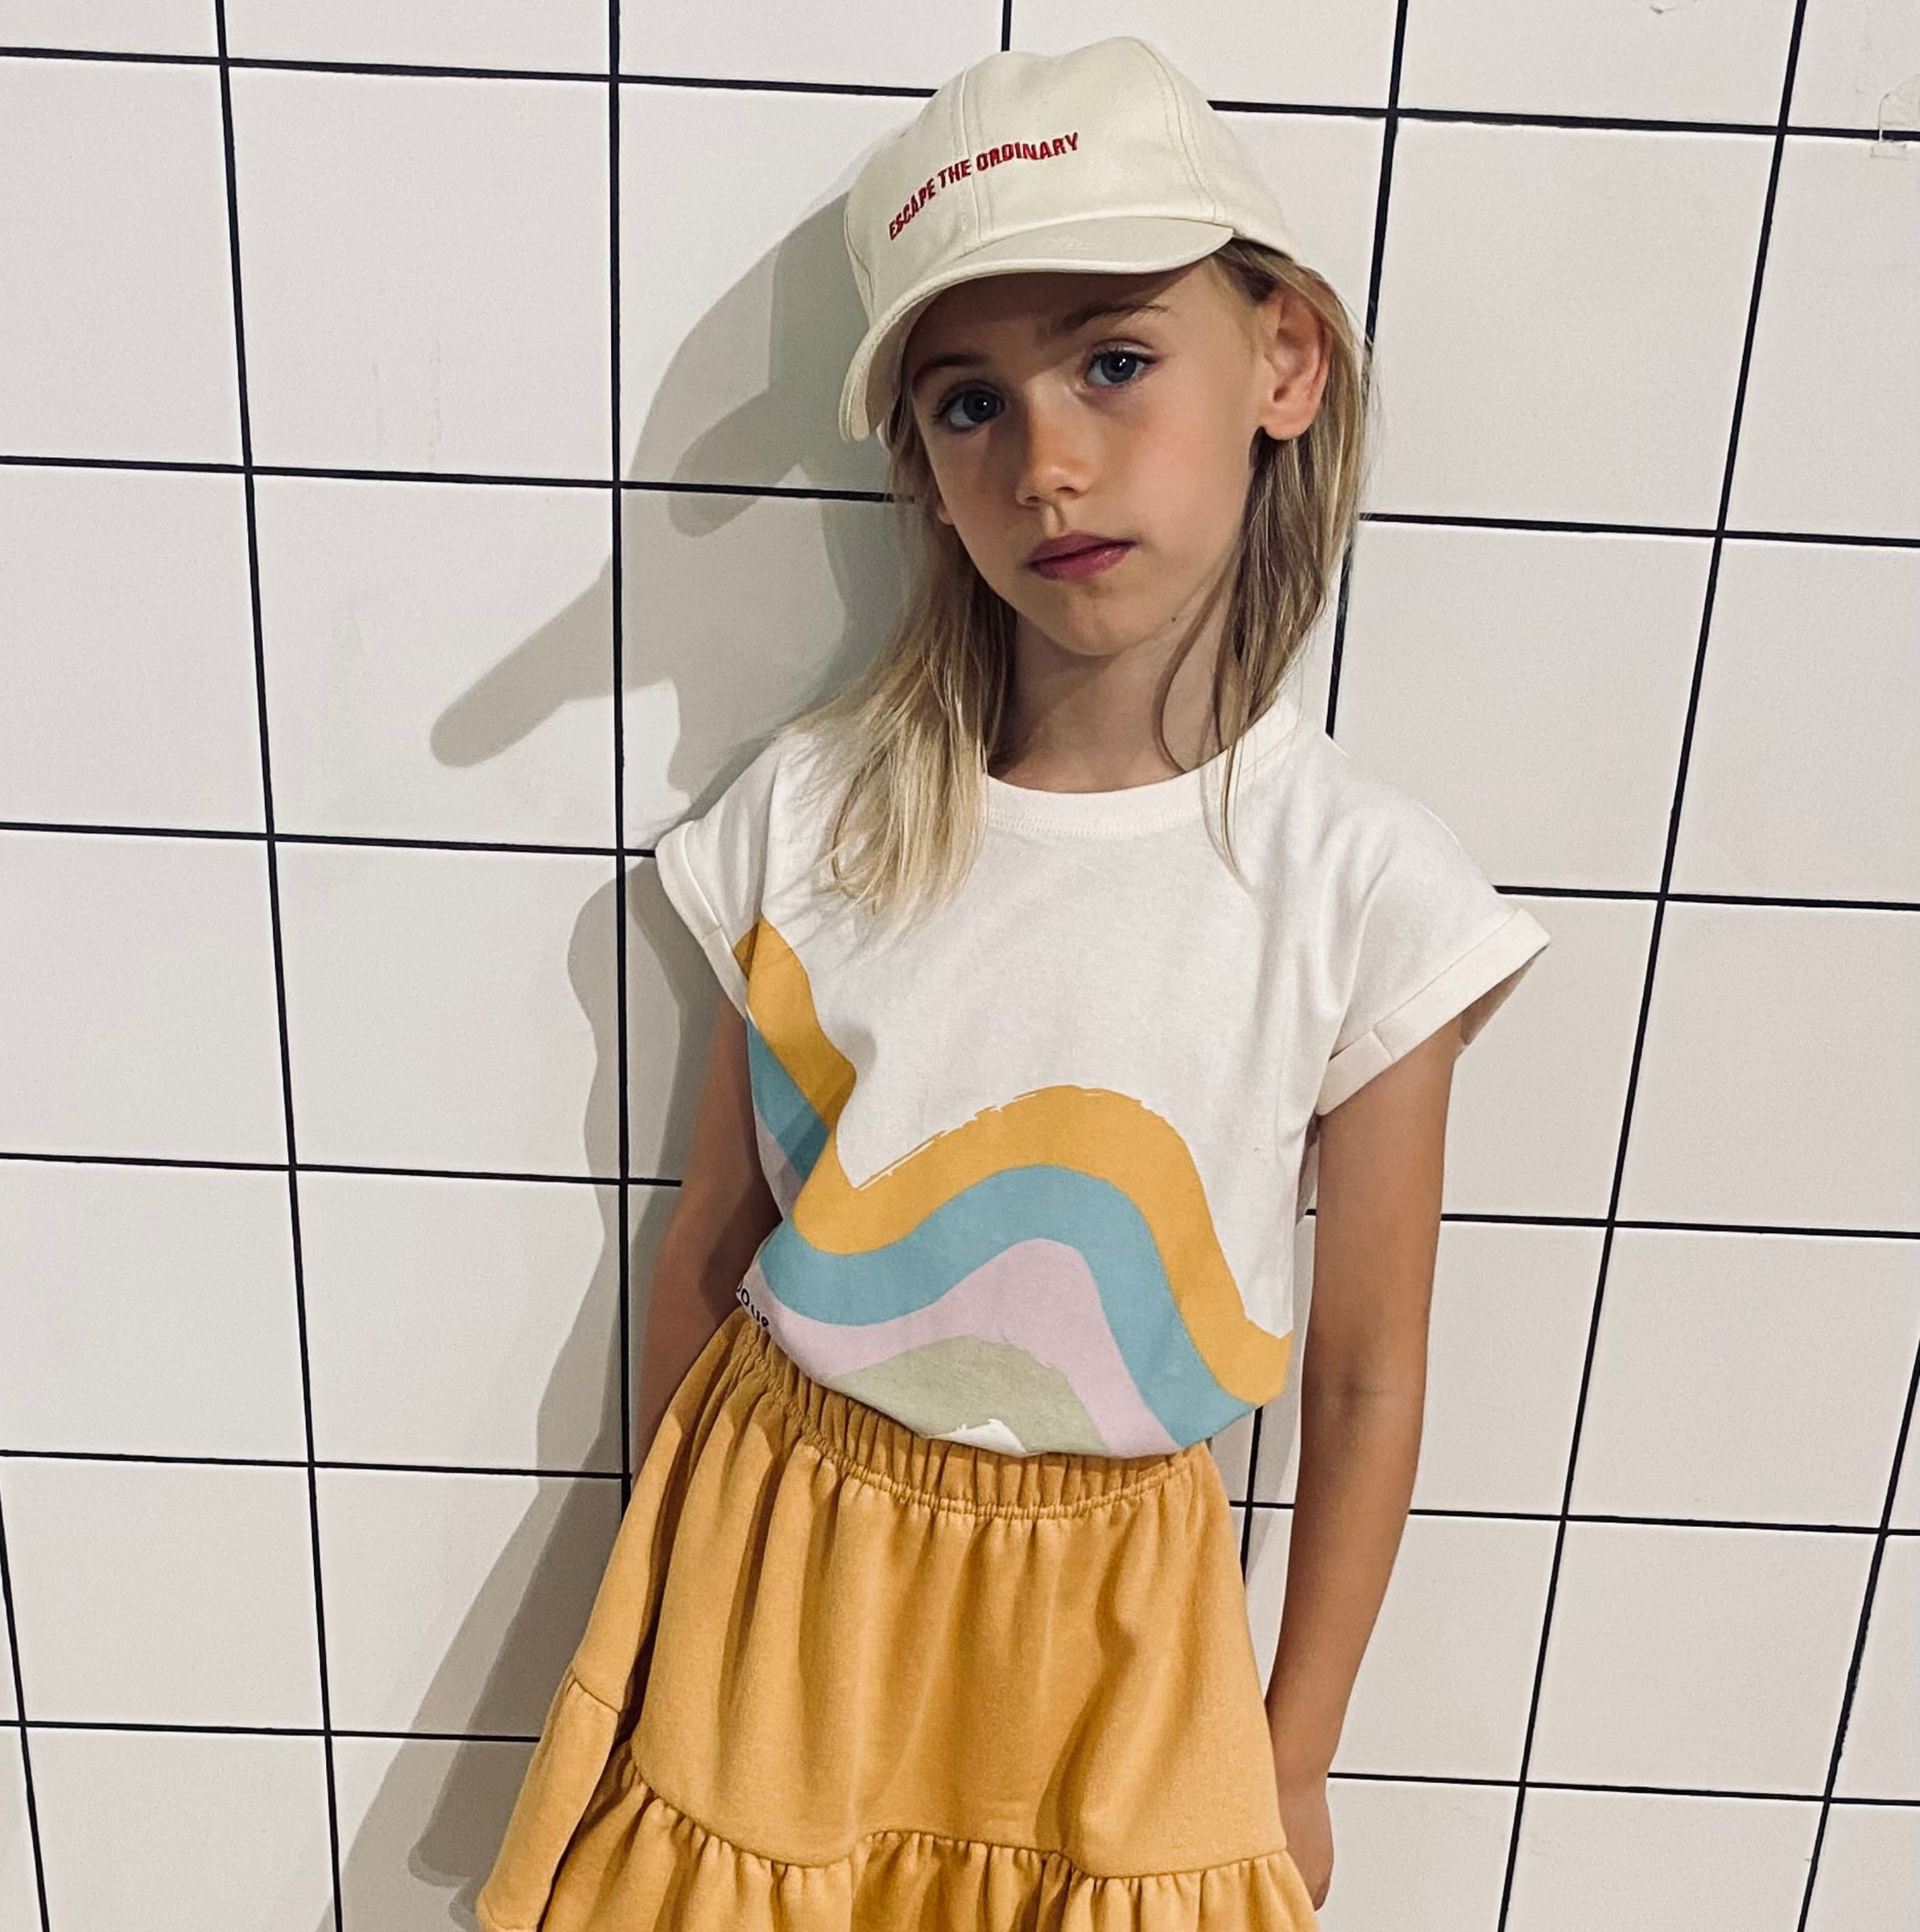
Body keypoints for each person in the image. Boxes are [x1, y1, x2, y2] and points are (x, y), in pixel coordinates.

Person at [474, 34, 1550, 1931]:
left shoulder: (1366, 891)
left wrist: (1295, 1752)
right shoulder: (817, 816)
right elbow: (712, 1239)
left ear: (1284, 363)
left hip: (1119, 1624)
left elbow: (1370, 1371)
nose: (1046, 462)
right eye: (970, 403)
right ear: (922, 466)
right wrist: (652, 1610)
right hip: (777, 1569)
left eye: (1114, 361)